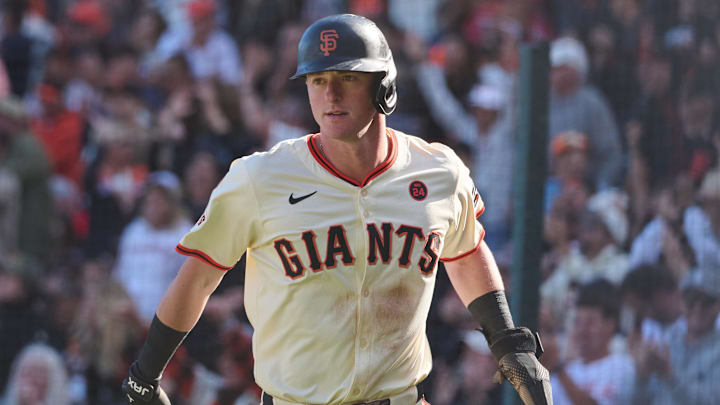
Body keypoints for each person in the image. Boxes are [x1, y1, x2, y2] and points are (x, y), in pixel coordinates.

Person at [121, 14, 552, 405]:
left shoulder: (439, 171)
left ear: (384, 85)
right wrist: (145, 375)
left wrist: (508, 342)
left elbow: (465, 249)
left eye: (346, 77)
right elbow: (197, 280)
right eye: (316, 79)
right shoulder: (259, 179)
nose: (330, 94)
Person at [631, 266, 720, 405]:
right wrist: (641, 376)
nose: (697, 308)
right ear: (681, 300)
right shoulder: (663, 341)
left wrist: (669, 375)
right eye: (692, 299)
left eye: (707, 301)